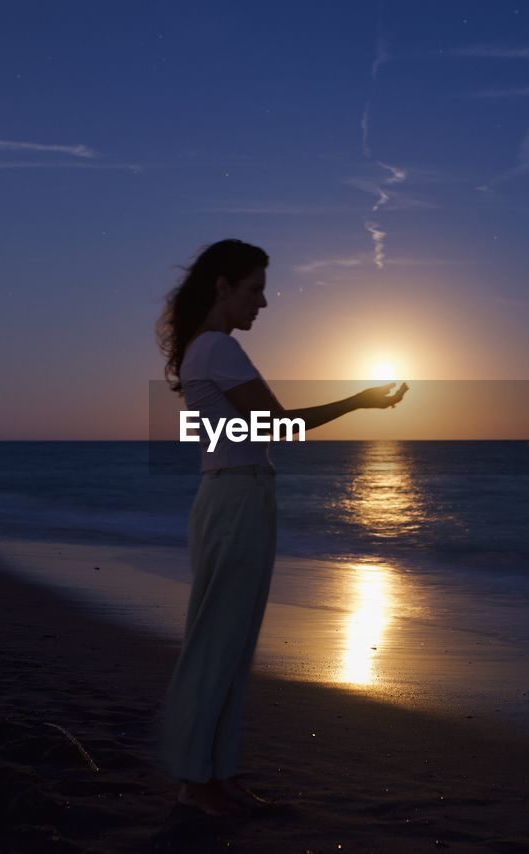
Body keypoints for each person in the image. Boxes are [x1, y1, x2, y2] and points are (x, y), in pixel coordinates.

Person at [155, 238, 408, 816]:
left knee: (231, 641)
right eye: (255, 289)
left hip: (235, 494)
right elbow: (278, 428)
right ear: (223, 286)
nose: (263, 303)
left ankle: (215, 773)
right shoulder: (218, 348)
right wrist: (359, 402)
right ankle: (197, 781)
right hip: (237, 497)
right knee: (221, 641)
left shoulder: (204, 348)